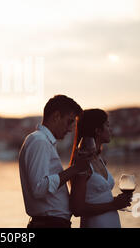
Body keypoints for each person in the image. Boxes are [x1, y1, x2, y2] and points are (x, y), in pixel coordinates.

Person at [19, 95, 90, 228]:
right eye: (69, 122)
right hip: (49, 224)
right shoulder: (39, 141)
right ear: (56, 116)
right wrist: (75, 169)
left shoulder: (42, 141)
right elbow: (39, 188)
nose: (70, 129)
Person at [69, 109, 132, 228]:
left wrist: (118, 201)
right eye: (107, 125)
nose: (111, 129)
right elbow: (77, 209)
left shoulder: (100, 160)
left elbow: (98, 199)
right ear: (97, 130)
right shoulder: (83, 163)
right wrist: (113, 205)